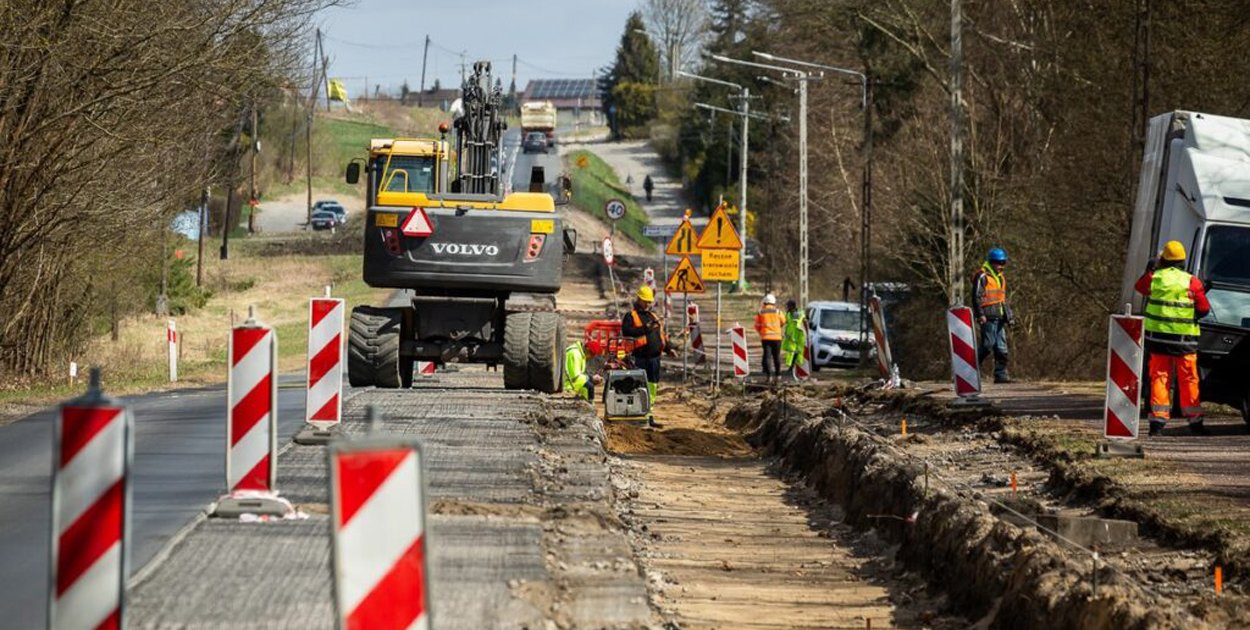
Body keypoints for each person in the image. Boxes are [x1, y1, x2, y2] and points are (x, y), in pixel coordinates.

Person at [1134, 240, 1211, 436]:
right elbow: (1203, 310)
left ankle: (1157, 424)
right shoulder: (1192, 281)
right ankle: (1195, 422)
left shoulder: (1155, 278)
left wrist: (1153, 266)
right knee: (1189, 380)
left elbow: (1140, 287)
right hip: (1184, 342)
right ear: (1183, 261)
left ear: (1164, 259)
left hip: (1158, 340)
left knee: (1159, 378)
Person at [621, 285, 671, 427]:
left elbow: (661, 335)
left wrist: (668, 348)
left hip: (654, 359)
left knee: (652, 388)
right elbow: (627, 332)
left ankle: (648, 416)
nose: (648, 304)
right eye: (645, 301)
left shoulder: (653, 316)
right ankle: (637, 416)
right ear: (639, 299)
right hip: (640, 357)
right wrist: (645, 328)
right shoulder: (631, 316)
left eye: (649, 302)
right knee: (638, 386)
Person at [972, 247, 1014, 383]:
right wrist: (980, 315)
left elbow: (1002, 298)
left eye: (1003, 263)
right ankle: (971, 370)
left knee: (1001, 347)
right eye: (998, 262)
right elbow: (976, 297)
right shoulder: (982, 276)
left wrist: (1010, 316)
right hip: (988, 317)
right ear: (991, 262)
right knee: (987, 345)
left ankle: (1001, 375)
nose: (1001, 266)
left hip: (1000, 316)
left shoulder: (1000, 278)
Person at [754, 293, 784, 382]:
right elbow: (783, 321)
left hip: (766, 338)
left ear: (765, 302)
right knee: (777, 356)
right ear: (774, 302)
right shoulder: (778, 312)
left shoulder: (761, 312)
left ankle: (769, 376)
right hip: (777, 338)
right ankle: (778, 375)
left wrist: (761, 332)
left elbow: (757, 326)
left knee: (767, 356)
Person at [781, 299, 807, 377]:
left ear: (792, 306)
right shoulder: (788, 314)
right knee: (791, 352)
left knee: (798, 352)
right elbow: (784, 322)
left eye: (788, 306)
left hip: (798, 336)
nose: (787, 307)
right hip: (791, 337)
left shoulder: (798, 313)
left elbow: (802, 322)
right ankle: (791, 367)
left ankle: (795, 368)